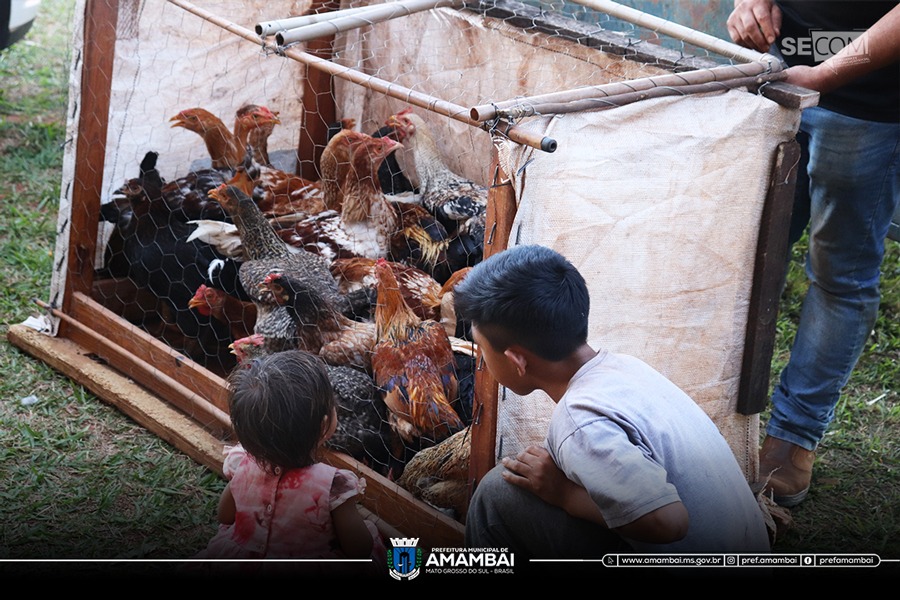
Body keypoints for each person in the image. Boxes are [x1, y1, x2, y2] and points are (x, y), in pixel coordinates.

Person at [455, 245, 771, 566]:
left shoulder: (579, 422)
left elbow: (670, 522)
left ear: (516, 360)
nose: (481, 358)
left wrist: (563, 494)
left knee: (498, 494)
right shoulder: (624, 368)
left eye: (481, 349)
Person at [727, 0, 900, 507]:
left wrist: (827, 73)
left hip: (868, 107)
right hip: (781, 76)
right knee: (738, 252)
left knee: (839, 275)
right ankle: (706, 408)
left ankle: (793, 437)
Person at [195, 349, 386, 574]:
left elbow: (225, 516)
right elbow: (359, 549)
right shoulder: (331, 486)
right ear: (324, 426)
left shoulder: (243, 464)